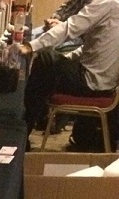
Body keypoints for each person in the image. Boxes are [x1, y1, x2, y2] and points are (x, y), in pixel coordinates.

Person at [18, 0, 119, 144]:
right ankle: (33, 124)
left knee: (45, 59)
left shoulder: (107, 3)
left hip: (91, 82)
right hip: (104, 82)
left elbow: (70, 27)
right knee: (51, 63)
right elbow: (93, 47)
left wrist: (30, 46)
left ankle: (22, 132)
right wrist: (66, 58)